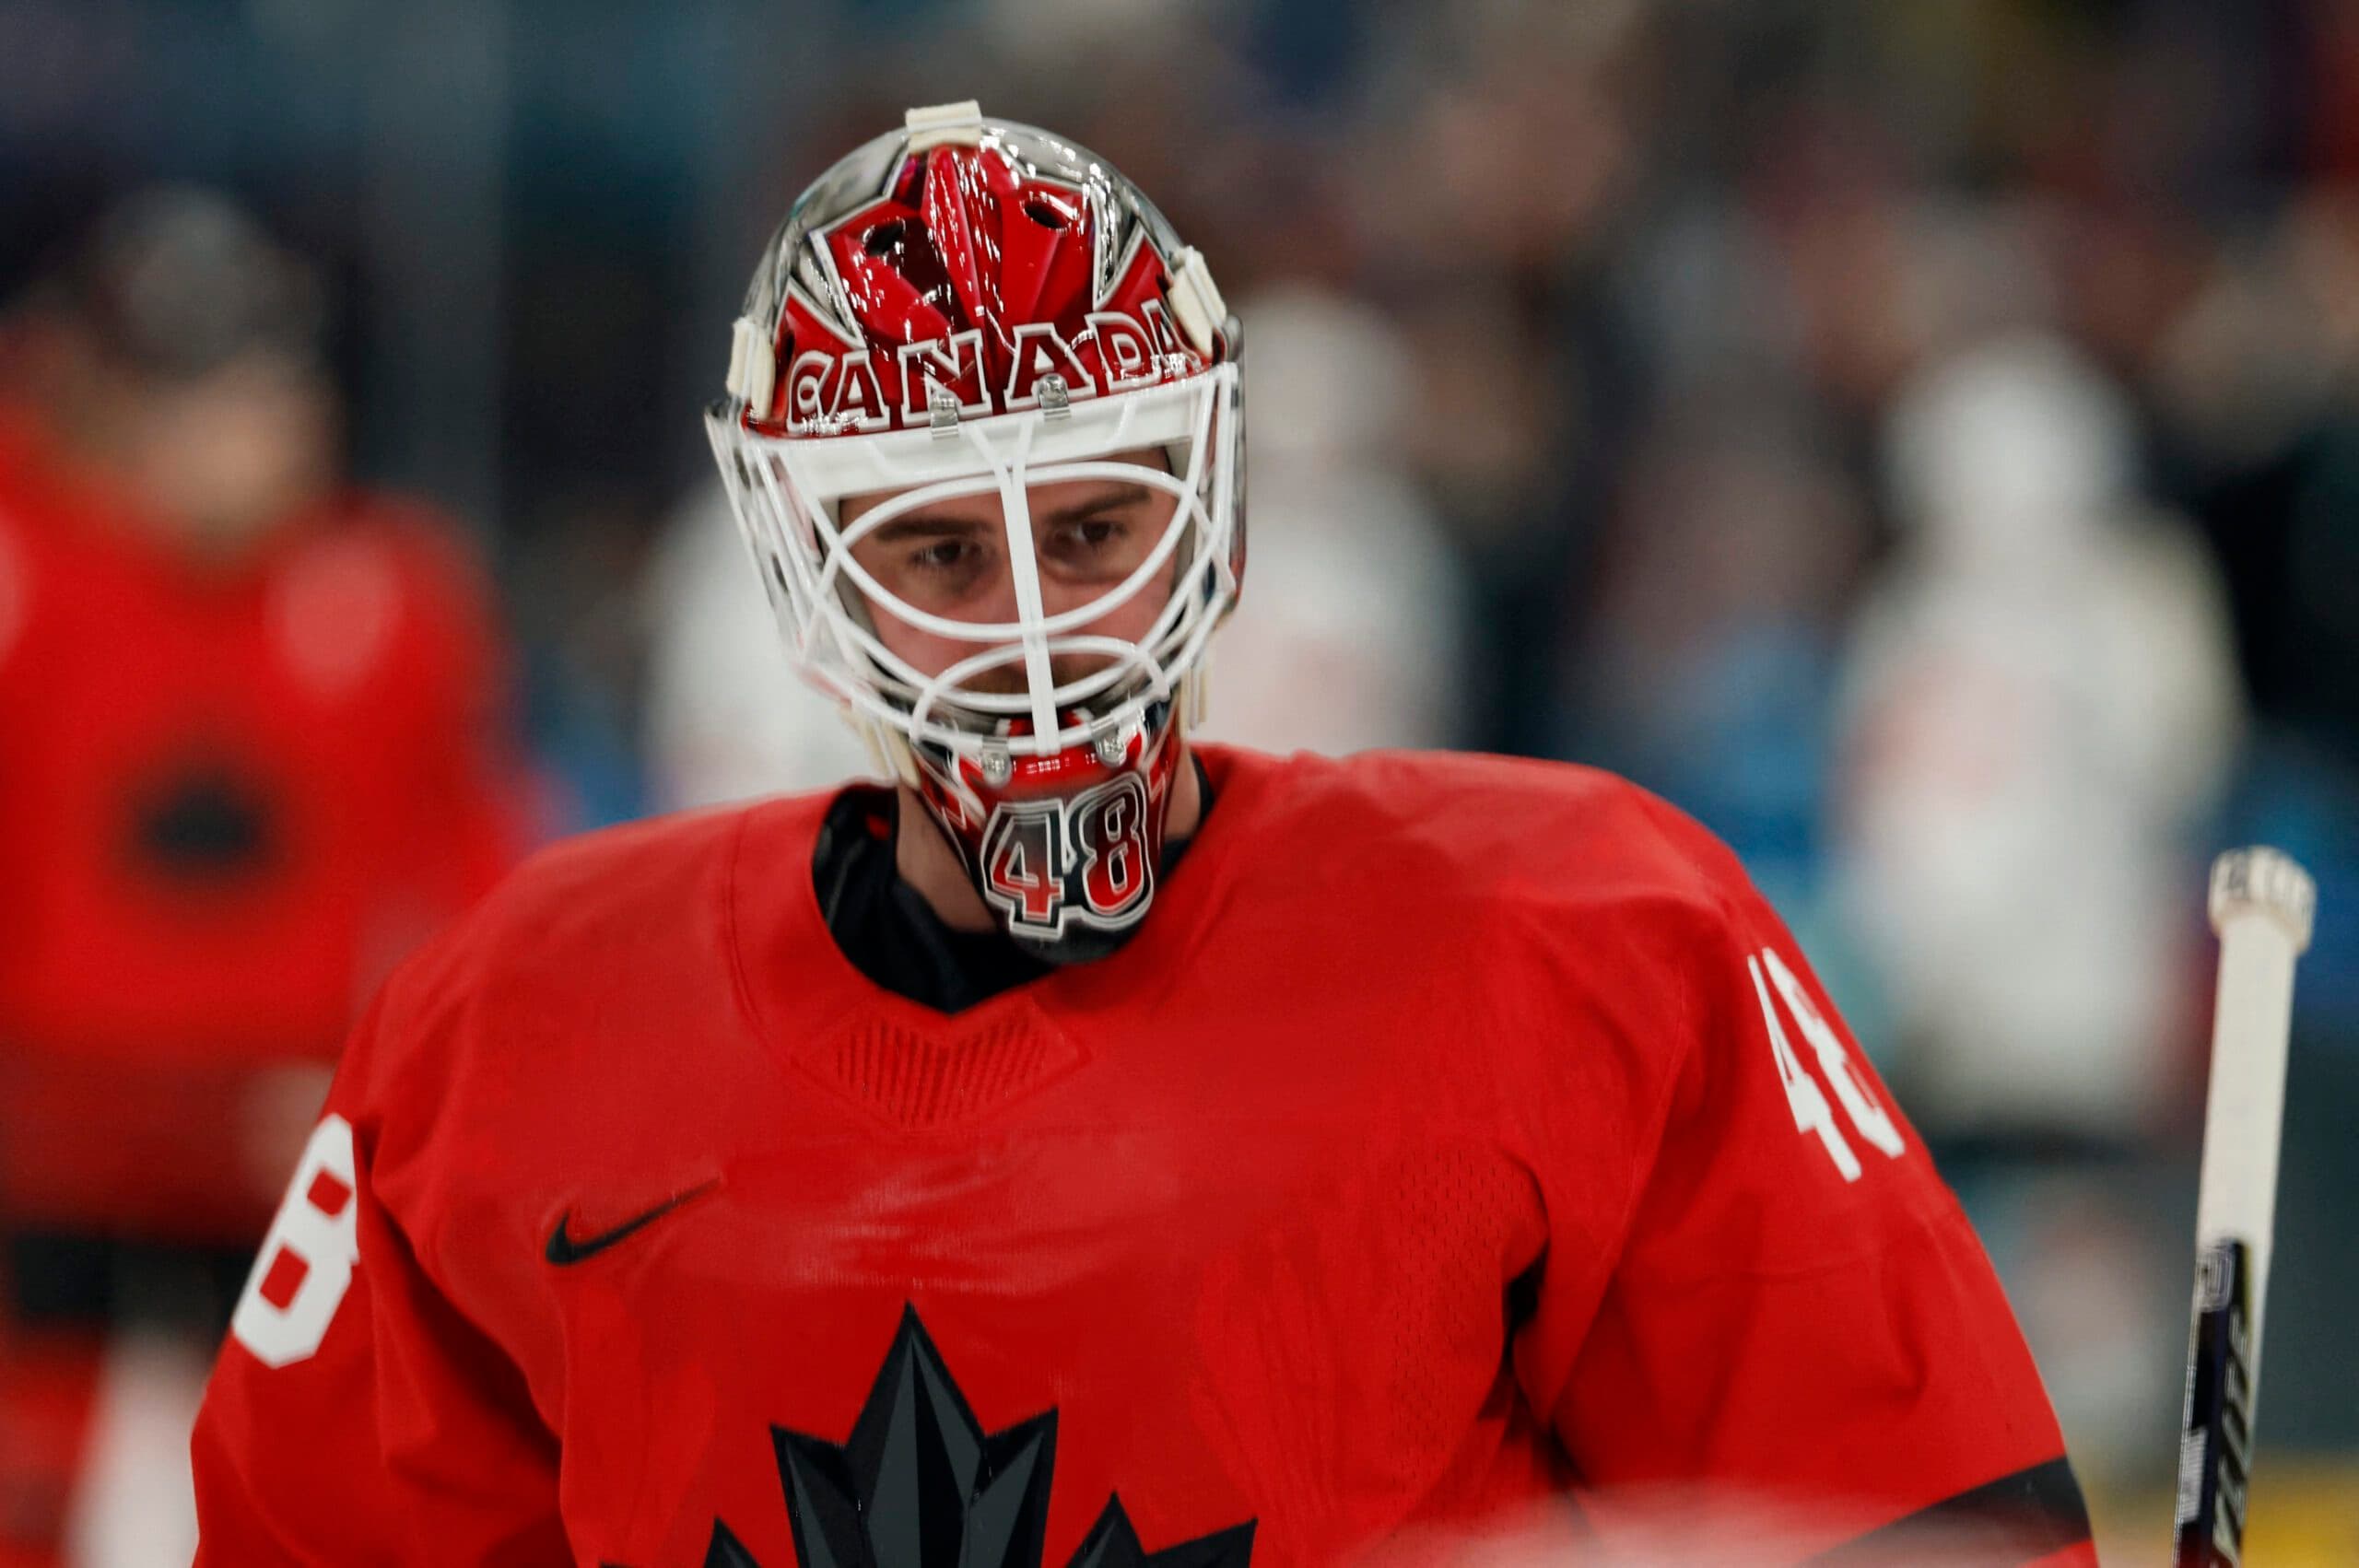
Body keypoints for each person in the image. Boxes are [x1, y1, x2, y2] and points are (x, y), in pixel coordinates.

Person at [190, 108, 2095, 1566]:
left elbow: (1916, 1520)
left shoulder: (1581, 933)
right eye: (939, 551)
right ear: (798, 572)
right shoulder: (515, 1018)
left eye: (1093, 530)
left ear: (1209, 501)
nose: (1038, 630)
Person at [0, 189, 530, 1566]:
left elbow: (480, 899)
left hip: (290, 1170)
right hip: (48, 1171)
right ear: (107, 400)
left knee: (326, 1504)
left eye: (270, 378)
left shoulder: (391, 593)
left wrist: (393, 1105)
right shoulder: (31, 576)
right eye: (201, 386)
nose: (251, 422)